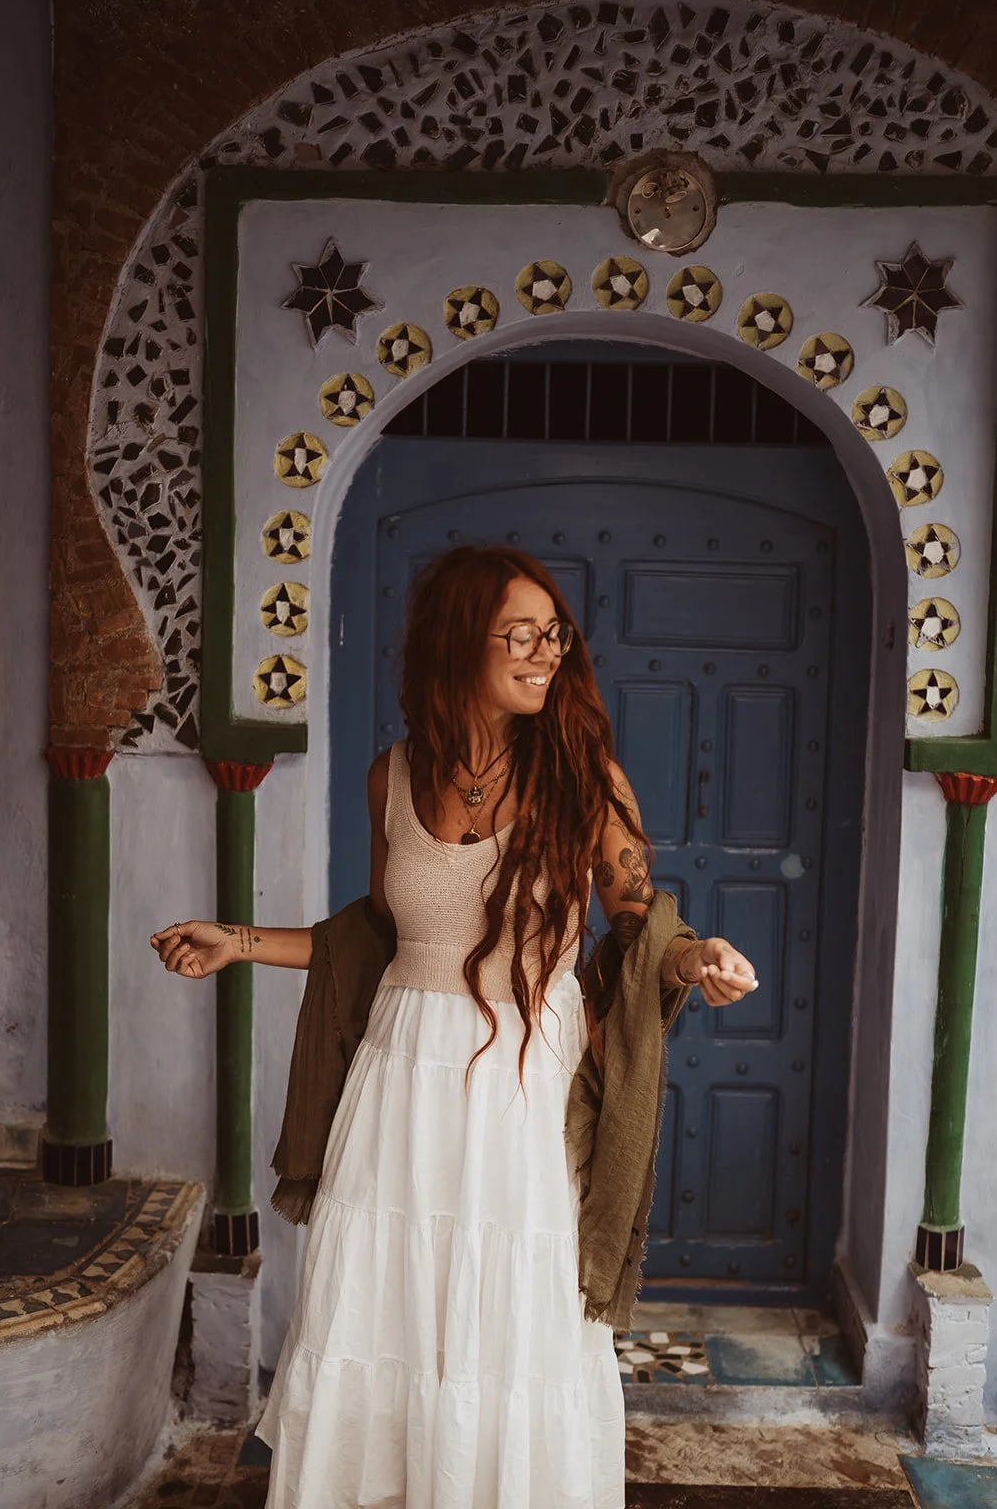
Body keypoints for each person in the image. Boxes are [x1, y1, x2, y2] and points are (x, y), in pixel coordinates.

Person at [151, 545, 758, 1509]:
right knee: (388, 1308)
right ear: (454, 642)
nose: (542, 650)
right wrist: (235, 940)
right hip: (400, 1075)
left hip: (523, 1084)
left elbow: (640, 918)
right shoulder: (392, 775)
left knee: (513, 1310)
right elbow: (381, 936)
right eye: (517, 632)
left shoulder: (585, 779)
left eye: (551, 632)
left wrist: (697, 959)